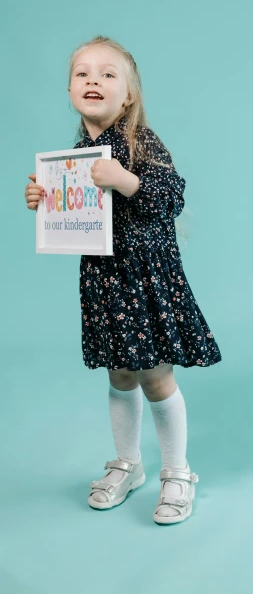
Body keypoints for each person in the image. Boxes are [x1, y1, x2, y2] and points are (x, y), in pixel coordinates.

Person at [24, 35, 222, 525]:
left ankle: (177, 471)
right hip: (104, 281)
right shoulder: (76, 152)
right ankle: (128, 464)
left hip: (145, 278)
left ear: (127, 95)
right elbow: (80, 215)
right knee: (119, 373)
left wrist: (124, 178)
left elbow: (169, 197)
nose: (94, 80)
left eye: (108, 74)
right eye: (83, 73)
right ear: (71, 88)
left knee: (155, 376)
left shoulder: (140, 142)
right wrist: (45, 197)